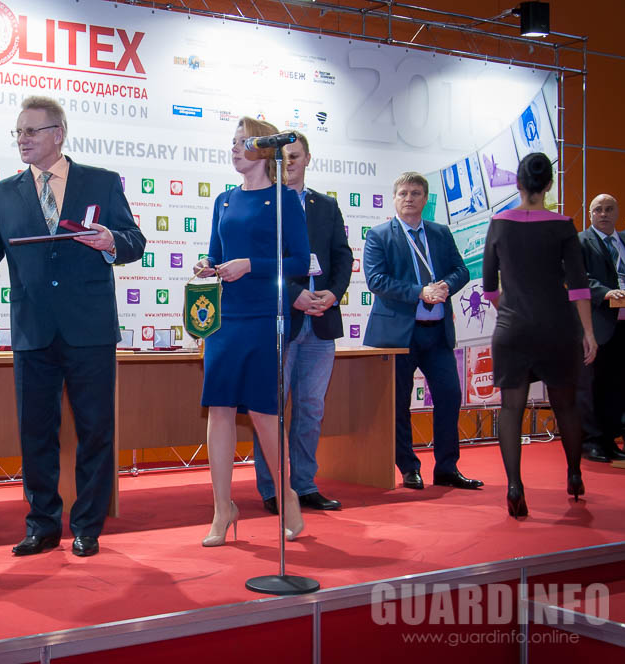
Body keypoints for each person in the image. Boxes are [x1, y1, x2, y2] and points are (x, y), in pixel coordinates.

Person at [0, 96, 146, 558]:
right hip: (32, 329)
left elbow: (135, 241)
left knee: (95, 430)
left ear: (58, 134)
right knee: (35, 432)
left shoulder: (101, 182)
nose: (22, 140)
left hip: (89, 328)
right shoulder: (2, 193)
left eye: (31, 131)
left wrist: (112, 241)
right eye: (18, 132)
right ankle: (42, 524)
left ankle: (87, 525)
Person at [193, 117, 310, 546]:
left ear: (263, 149)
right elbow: (215, 253)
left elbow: (300, 262)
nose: (235, 148)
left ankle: (287, 494)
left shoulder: (285, 200)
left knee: (263, 412)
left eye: (243, 142)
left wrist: (251, 266)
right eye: (233, 141)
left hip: (264, 316)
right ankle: (222, 508)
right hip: (225, 318)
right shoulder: (224, 200)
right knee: (220, 408)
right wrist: (207, 266)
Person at [481, 152, 598, 517]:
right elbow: (579, 286)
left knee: (511, 409)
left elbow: (489, 288)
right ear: (549, 184)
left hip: (512, 329)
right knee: (566, 405)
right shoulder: (564, 225)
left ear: (517, 183)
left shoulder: (499, 223)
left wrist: (510, 313)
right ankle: (575, 474)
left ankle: (514, 486)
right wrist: (588, 332)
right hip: (558, 328)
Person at [251, 133, 352, 513]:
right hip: (279, 320)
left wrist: (333, 294)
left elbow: (342, 257)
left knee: (311, 409)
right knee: (271, 410)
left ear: (308, 158)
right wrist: (293, 293)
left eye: (295, 156)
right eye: (283, 156)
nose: (289, 162)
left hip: (321, 323)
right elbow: (258, 262)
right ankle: (274, 488)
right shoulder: (263, 203)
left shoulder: (325, 206)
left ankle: (305, 485)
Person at [363, 172, 482, 492]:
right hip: (398, 335)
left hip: (437, 333)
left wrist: (446, 286)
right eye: (402, 193)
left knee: (450, 395)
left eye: (415, 193)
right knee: (398, 403)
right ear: (394, 198)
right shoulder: (379, 235)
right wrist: (420, 292)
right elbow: (376, 280)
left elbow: (461, 270)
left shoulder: (440, 233)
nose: (409, 198)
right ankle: (408, 467)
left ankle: (447, 468)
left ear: (425, 199)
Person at [575, 194, 625, 463]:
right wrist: (605, 292)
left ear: (617, 212)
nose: (604, 214)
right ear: (590, 214)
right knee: (592, 386)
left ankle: (610, 439)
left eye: (609, 209)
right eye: (598, 209)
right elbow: (578, 278)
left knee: (618, 385)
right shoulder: (581, 241)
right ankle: (592, 442)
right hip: (597, 323)